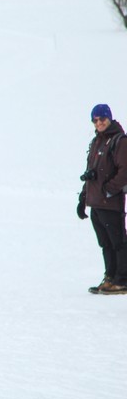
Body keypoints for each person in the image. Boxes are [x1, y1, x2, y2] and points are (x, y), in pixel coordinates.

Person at [78, 104, 127, 294]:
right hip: (96, 202)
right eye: (95, 120)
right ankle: (111, 277)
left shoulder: (120, 141)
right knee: (105, 243)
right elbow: (91, 173)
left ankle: (122, 279)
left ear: (110, 118)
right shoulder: (97, 141)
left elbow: (125, 171)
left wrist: (109, 189)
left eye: (102, 119)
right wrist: (83, 198)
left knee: (118, 241)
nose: (99, 123)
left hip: (110, 201)